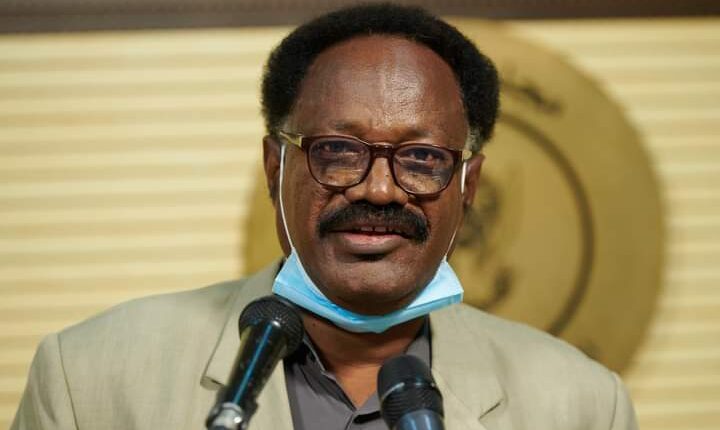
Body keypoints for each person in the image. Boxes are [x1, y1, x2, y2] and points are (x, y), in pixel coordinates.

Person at [11, 3, 638, 430]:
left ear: (468, 185)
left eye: (422, 158)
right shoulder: (88, 377)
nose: (380, 190)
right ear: (274, 167)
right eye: (338, 151)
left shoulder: (581, 404)